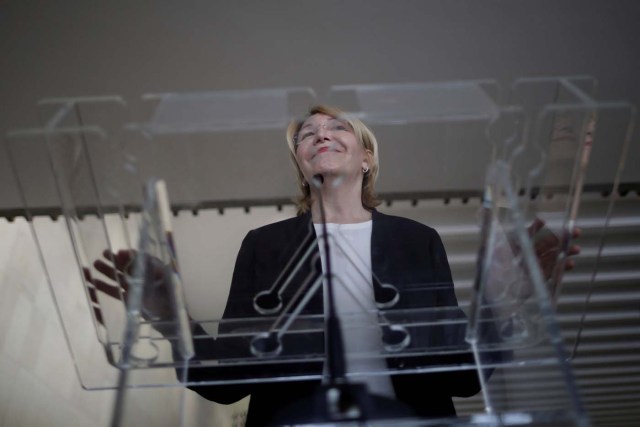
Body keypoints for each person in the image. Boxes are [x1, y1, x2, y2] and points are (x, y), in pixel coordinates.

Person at [89, 104, 581, 426]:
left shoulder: (417, 241)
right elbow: (228, 379)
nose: (319, 135)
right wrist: (169, 316)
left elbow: (460, 376)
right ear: (302, 164)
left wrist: (503, 302)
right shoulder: (264, 244)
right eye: (307, 135)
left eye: (336, 128)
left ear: (366, 157)